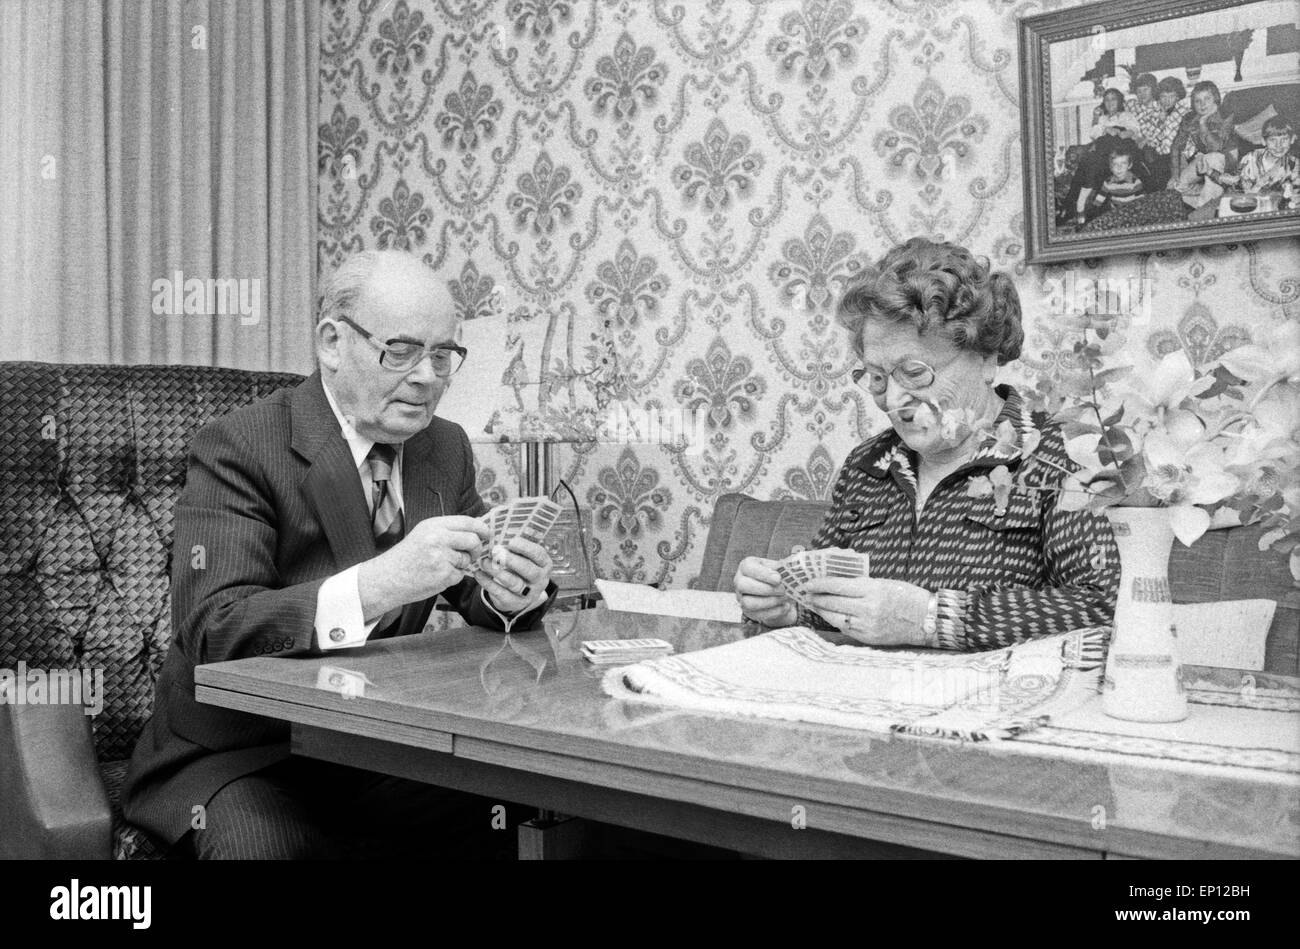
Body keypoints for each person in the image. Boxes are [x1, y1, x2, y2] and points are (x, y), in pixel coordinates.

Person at [123, 250, 557, 858]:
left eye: (442, 355)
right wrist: (380, 582)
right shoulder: (240, 445)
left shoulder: (445, 447)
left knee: (529, 813)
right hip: (245, 755)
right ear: (331, 341)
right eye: (401, 351)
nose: (428, 376)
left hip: (377, 744)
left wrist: (512, 590)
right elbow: (214, 631)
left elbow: (471, 585)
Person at [733, 238, 1119, 651]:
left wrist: (932, 619)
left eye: (914, 373)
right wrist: (785, 605)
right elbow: (827, 597)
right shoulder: (868, 464)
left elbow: (1101, 606)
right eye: (877, 378)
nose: (894, 401)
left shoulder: (1061, 457)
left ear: (987, 358)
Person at [1220, 115, 1300, 203]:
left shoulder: (1294, 163)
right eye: (1273, 140)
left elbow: (1296, 186)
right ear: (1263, 141)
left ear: (1292, 139)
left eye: (1284, 139)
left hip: (1272, 203)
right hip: (1242, 201)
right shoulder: (1250, 158)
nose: (1278, 145)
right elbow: (1236, 180)